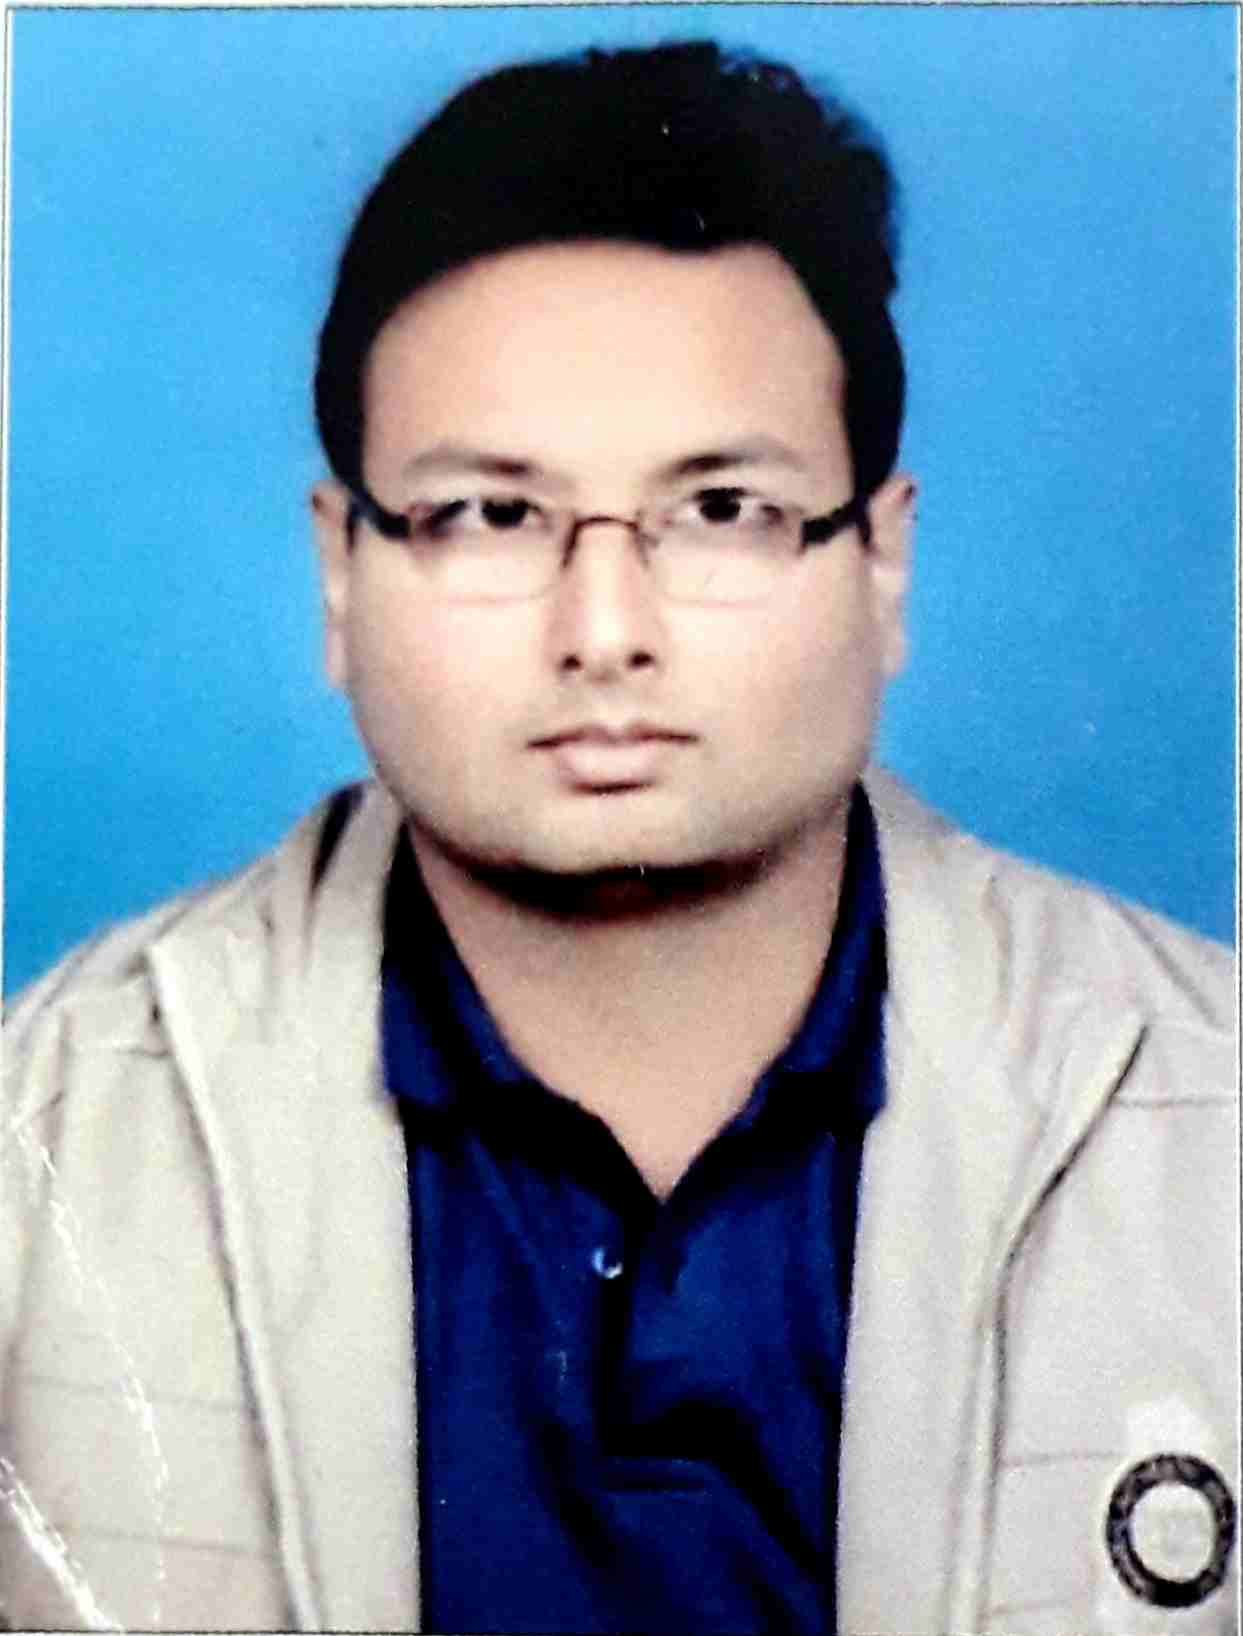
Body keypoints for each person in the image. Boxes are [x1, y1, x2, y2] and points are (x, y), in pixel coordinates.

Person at [1, 39, 1234, 1636]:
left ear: (882, 564)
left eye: (720, 511)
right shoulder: (40, 1140)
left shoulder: (1212, 1121)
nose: (603, 631)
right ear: (339, 573)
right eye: (488, 515)